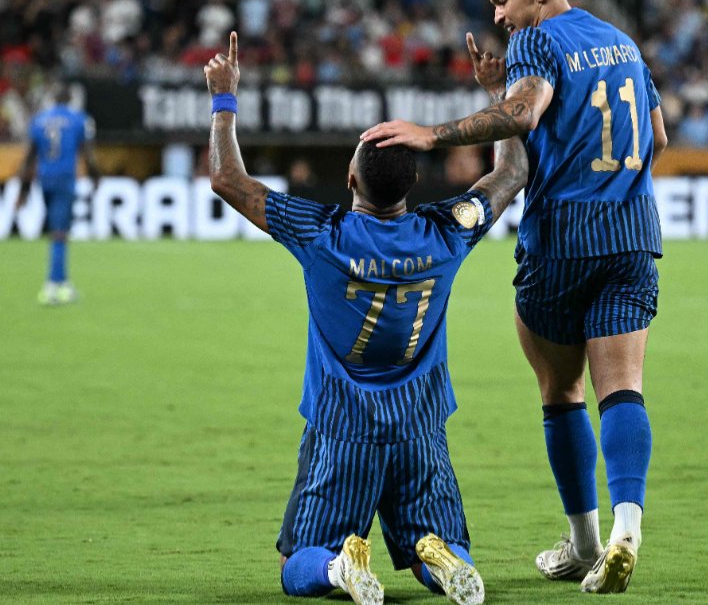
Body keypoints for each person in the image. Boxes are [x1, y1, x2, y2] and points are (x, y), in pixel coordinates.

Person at [362, 0, 668, 594]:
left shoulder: (540, 37)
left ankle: (585, 543)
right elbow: (659, 138)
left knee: (562, 391)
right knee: (624, 387)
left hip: (563, 237)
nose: (498, 16)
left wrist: (433, 133)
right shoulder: (625, 43)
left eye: (502, 0)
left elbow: (526, 111)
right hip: (634, 232)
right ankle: (627, 526)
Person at [205, 31, 528, 605]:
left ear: (351, 180)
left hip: (342, 425)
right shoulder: (446, 232)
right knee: (439, 536)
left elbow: (229, 181)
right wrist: (500, 90)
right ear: (416, 185)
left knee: (298, 563)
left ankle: (338, 568)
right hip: (419, 423)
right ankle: (444, 561)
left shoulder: (322, 233)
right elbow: (508, 176)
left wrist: (224, 99)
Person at [16, 85, 99, 306]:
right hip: (65, 179)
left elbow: (29, 157)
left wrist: (23, 191)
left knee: (57, 231)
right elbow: (88, 153)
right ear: (70, 98)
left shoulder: (39, 120)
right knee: (60, 233)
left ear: (52, 99)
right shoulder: (79, 119)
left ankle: (62, 282)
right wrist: (96, 177)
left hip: (45, 179)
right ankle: (52, 285)